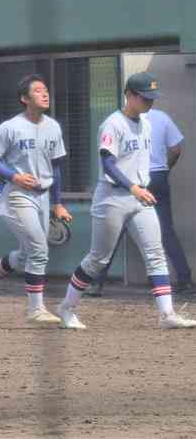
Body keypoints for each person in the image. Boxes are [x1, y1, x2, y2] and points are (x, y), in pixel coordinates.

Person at [55, 73, 196, 330]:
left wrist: (139, 188)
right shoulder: (113, 124)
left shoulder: (146, 123)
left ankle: (167, 315)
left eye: (152, 98)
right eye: (145, 98)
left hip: (140, 195)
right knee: (98, 259)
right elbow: (108, 163)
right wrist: (133, 187)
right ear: (129, 94)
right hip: (112, 197)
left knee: (155, 253)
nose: (149, 103)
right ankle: (66, 307)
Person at [0, 74, 70, 325]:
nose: (44, 94)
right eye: (37, 91)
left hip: (43, 196)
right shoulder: (11, 127)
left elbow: (56, 168)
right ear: (24, 99)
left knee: (28, 254)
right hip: (15, 194)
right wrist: (14, 176)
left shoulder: (53, 127)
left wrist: (57, 202)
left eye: (45, 89)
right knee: (39, 249)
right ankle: (35, 309)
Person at [145, 108, 190, 294]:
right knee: (165, 229)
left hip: (134, 179)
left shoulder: (122, 119)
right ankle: (184, 279)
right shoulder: (161, 117)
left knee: (119, 226)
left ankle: (95, 281)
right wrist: (165, 167)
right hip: (159, 175)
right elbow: (176, 149)